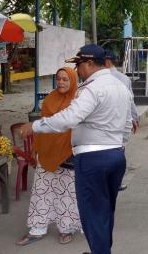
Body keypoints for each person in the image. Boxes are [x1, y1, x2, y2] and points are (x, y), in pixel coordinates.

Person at [19, 44, 132, 254]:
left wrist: (34, 126)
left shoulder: (91, 89)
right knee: (106, 211)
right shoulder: (121, 87)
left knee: (93, 214)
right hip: (116, 155)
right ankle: (103, 249)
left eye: (79, 65)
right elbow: (127, 124)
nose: (78, 70)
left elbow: (69, 118)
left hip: (92, 159)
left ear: (89, 64)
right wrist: (117, 147)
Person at [17, 67, 81, 246]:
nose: (61, 82)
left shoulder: (79, 101)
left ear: (73, 81)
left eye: (65, 79)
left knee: (67, 193)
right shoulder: (49, 99)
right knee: (42, 191)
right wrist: (35, 147)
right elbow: (42, 128)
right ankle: (37, 229)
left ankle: (66, 228)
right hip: (46, 153)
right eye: (58, 79)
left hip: (68, 153)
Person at [104, 49, 138, 192]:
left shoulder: (97, 77)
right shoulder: (124, 78)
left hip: (104, 121)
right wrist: (134, 117)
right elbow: (131, 100)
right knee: (119, 150)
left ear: (107, 61)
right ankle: (116, 181)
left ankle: (105, 181)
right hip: (121, 121)